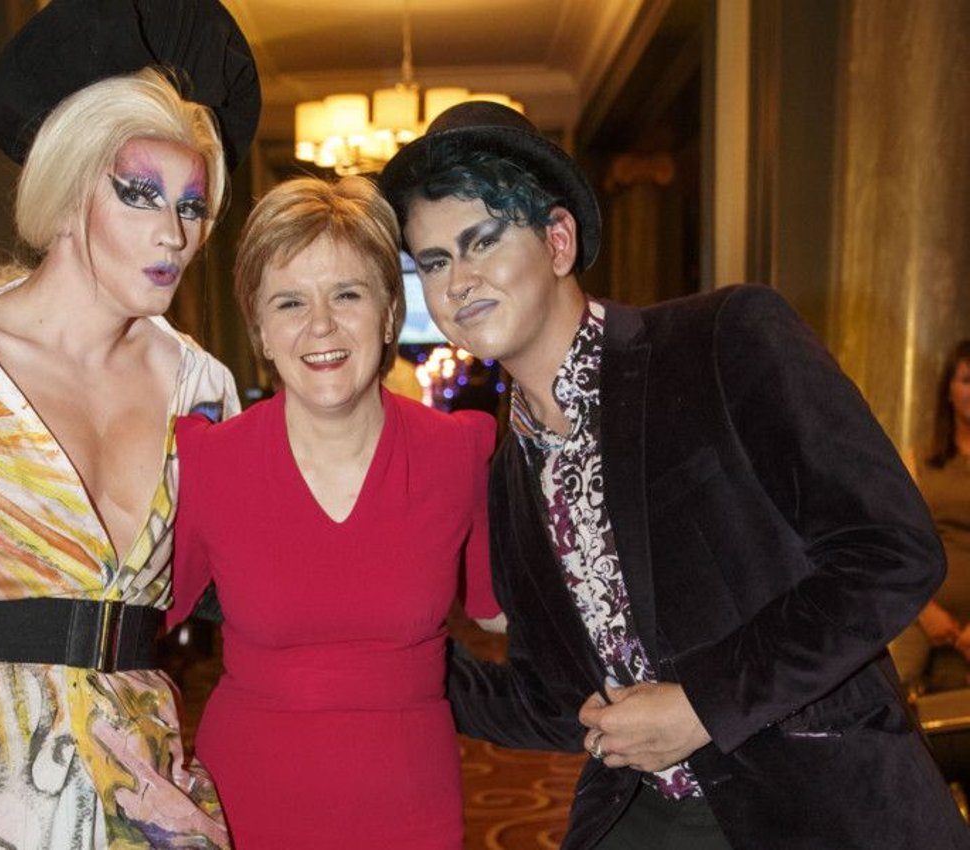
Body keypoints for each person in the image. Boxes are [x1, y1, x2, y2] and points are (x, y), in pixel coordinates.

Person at [377, 101, 970, 849]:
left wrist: (701, 706)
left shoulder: (722, 340)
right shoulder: (509, 471)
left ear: (558, 241)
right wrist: (381, 653)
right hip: (648, 812)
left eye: (483, 241)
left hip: (819, 802)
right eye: (434, 261)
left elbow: (893, 553)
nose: (458, 282)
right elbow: (555, 700)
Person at [0, 1, 259, 846]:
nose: (173, 234)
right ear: (68, 196)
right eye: (139, 195)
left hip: (144, 778)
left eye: (192, 206)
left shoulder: (200, 388)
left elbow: (237, 595)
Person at [165, 175, 500, 849]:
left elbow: (508, 614)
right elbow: (130, 630)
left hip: (413, 809)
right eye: (289, 302)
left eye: (347, 294)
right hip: (247, 806)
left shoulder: (459, 451)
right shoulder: (206, 461)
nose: (320, 325)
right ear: (261, 330)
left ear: (388, 313)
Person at [893, 340, 970, 693]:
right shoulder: (919, 459)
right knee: (893, 694)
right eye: (967, 380)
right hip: (923, 615)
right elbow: (898, 542)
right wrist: (926, 611)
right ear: (948, 391)